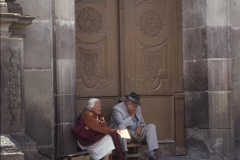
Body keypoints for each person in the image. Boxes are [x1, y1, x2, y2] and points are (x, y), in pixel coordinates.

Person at [109, 92, 159, 160]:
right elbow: (121, 124)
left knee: (151, 126)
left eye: (136, 106)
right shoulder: (117, 109)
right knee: (121, 127)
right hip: (126, 136)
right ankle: (124, 154)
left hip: (136, 133)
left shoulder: (137, 107)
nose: (135, 108)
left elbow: (143, 122)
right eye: (133, 106)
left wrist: (140, 127)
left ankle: (151, 154)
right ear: (127, 103)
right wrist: (131, 116)